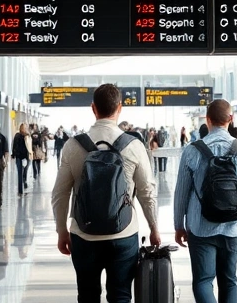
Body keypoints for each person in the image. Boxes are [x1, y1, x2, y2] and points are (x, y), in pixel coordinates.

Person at [51, 84, 160, 303]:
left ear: (93, 108)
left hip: (83, 233)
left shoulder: (73, 146)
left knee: (88, 295)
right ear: (120, 107)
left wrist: (62, 230)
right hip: (124, 233)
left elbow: (60, 194)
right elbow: (147, 192)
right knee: (120, 295)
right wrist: (154, 228)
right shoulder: (134, 145)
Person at [174, 99, 237, 303]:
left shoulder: (192, 150)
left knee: (203, 280)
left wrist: (179, 225)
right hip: (234, 227)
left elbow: (181, 191)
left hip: (201, 226)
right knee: (229, 280)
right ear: (230, 120)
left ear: (207, 120)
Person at [12, 124, 32, 196]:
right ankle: (21, 190)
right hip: (20, 157)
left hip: (25, 157)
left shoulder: (28, 136)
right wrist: (14, 154)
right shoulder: (18, 136)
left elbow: (29, 146)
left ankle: (24, 183)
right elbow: (14, 145)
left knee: (23, 172)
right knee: (20, 173)